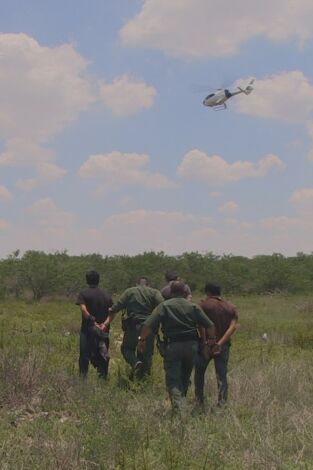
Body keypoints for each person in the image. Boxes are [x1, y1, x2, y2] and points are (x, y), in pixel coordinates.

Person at [138, 281, 215, 415]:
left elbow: (147, 325)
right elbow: (210, 326)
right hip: (192, 346)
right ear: (186, 293)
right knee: (185, 377)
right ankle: (181, 404)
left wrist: (142, 340)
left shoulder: (164, 306)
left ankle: (181, 411)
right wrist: (210, 342)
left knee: (173, 381)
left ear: (171, 292)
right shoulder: (193, 306)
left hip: (173, 346)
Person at [104, 277, 163, 379]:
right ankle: (144, 381)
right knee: (146, 355)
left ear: (137, 284)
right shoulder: (154, 292)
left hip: (133, 326)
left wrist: (110, 309)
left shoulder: (130, 291)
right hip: (148, 327)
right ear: (148, 284)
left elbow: (118, 306)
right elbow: (163, 306)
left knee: (126, 348)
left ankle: (135, 362)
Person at [194, 282, 238, 406]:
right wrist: (220, 343)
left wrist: (205, 342)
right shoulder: (230, 307)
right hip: (223, 346)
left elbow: (200, 324)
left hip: (205, 345)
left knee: (199, 373)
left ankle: (199, 400)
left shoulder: (203, 305)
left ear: (208, 292)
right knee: (221, 375)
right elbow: (233, 326)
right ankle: (222, 402)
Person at [76, 270, 113, 379]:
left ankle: (83, 380)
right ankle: (103, 380)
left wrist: (94, 322)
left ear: (87, 280)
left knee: (84, 356)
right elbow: (112, 312)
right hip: (103, 331)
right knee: (103, 355)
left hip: (87, 330)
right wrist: (104, 324)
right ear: (98, 280)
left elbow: (83, 310)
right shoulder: (106, 295)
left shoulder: (83, 293)